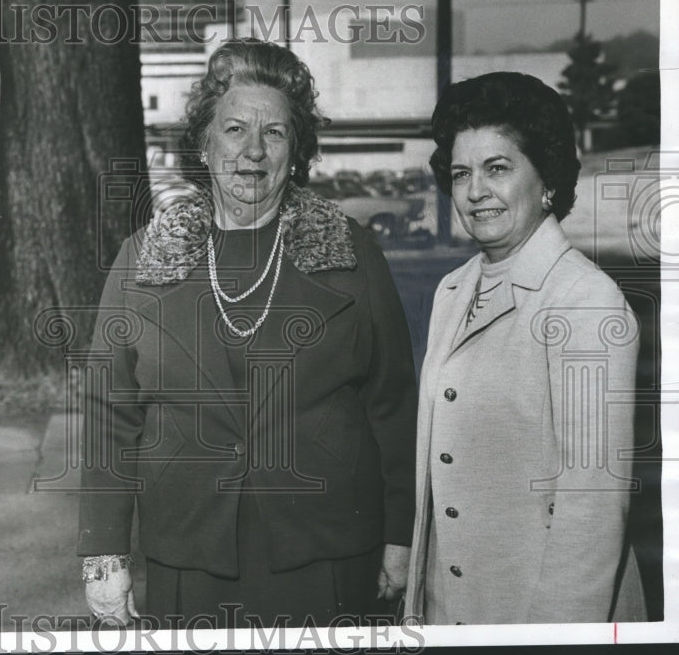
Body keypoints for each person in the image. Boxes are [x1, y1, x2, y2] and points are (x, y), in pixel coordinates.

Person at [77, 38, 418, 629]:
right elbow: (110, 413)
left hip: (329, 551)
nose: (253, 152)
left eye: (276, 134)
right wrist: (103, 551)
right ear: (205, 144)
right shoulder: (143, 260)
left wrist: (400, 534)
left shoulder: (353, 256)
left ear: (298, 149)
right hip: (190, 553)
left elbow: (393, 406)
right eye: (234, 130)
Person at [406, 72, 646, 624]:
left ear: (547, 181)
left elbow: (594, 508)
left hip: (539, 613)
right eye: (461, 172)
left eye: (497, 168)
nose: (474, 191)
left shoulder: (585, 302)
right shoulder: (452, 290)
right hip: (451, 611)